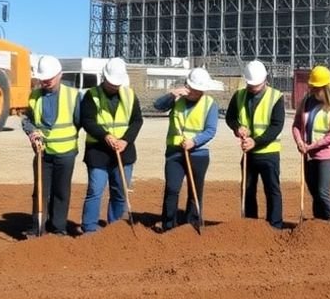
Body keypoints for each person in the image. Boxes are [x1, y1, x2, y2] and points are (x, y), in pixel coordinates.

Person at [78, 57, 143, 234]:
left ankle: (114, 228)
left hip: (124, 152)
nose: (113, 86)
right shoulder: (92, 95)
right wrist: (104, 135)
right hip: (98, 152)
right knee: (95, 190)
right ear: (104, 77)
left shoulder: (130, 95)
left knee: (120, 191)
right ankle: (89, 227)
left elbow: (137, 121)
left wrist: (125, 140)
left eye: (116, 83)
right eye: (110, 83)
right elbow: (87, 120)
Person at [154, 67, 218, 232]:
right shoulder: (177, 99)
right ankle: (168, 224)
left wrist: (194, 142)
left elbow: (210, 130)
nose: (196, 94)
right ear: (187, 86)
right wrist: (172, 94)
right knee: (172, 188)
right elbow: (157, 105)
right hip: (175, 152)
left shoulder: (210, 104)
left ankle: (192, 224)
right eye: (194, 90)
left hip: (198, 154)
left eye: (199, 91)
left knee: (195, 190)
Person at [22, 55, 80, 236]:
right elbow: (27, 120)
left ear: (60, 75)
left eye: (49, 78)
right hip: (42, 153)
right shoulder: (34, 96)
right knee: (40, 191)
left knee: (61, 192)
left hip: (66, 152)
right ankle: (37, 227)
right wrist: (32, 132)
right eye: (43, 79)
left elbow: (78, 121)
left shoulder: (73, 95)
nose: (45, 81)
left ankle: (58, 228)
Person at [227, 60, 285, 228]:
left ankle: (275, 225)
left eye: (256, 85)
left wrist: (256, 142)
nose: (253, 88)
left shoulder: (276, 97)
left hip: (269, 153)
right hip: (248, 154)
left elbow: (276, 126)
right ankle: (250, 225)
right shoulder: (239, 95)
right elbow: (231, 117)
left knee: (272, 190)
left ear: (265, 80)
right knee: (247, 189)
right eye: (250, 85)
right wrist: (238, 128)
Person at [293, 65, 330, 220]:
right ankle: (318, 223)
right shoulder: (306, 102)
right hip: (308, 155)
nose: (313, 90)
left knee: (322, 191)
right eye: (312, 87)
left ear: (325, 88)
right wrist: (299, 141)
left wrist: (311, 146)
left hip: (326, 156)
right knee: (314, 191)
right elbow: (296, 125)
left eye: (316, 88)